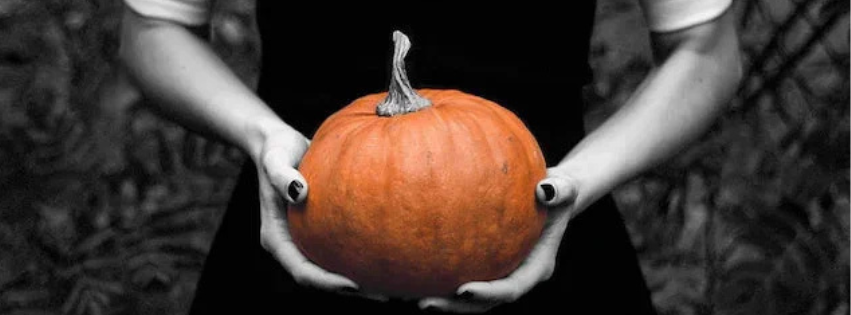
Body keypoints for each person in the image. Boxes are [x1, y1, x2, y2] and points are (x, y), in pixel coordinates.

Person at [118, 1, 742, 314]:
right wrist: (261, 136)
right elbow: (154, 29)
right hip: (299, 216)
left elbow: (704, 49)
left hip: (543, 224)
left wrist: (577, 179)